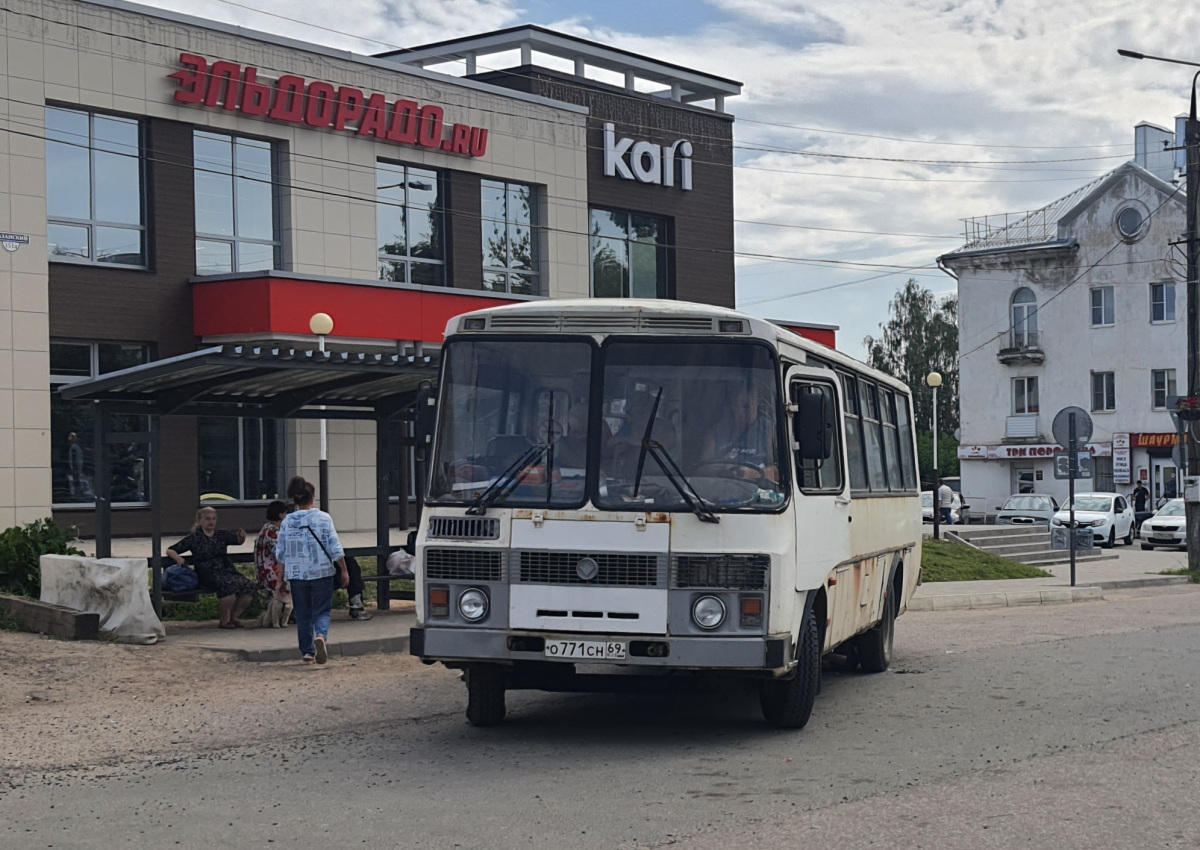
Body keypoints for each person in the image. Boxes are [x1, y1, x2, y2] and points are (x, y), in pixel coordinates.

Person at [275, 476, 349, 664]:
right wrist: (344, 570)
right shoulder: (323, 518)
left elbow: (281, 553)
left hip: (297, 574)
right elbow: (335, 547)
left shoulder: (287, 522)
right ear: (312, 498)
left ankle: (307, 652)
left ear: (295, 500)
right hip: (322, 571)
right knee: (322, 610)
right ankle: (321, 636)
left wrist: (279, 579)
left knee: (302, 613)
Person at [166, 507, 255, 629]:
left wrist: (242, 537)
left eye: (213, 519)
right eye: (207, 519)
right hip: (207, 573)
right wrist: (179, 559)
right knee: (228, 585)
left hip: (225, 569)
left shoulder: (221, 535)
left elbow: (238, 541)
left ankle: (234, 617)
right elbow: (171, 550)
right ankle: (224, 621)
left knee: (249, 586)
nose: (211, 522)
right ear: (200, 521)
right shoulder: (195, 538)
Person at [701, 382, 777, 481]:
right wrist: (721, 470)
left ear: (757, 403)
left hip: (758, 491)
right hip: (721, 487)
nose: (741, 412)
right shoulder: (718, 430)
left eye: (746, 406)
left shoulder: (769, 430)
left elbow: (778, 473)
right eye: (736, 406)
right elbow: (701, 468)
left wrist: (751, 473)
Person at [254, 500, 288, 600]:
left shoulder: (266, 528)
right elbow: (281, 556)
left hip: (264, 573)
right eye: (285, 513)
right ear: (281, 515)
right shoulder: (273, 532)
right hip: (271, 574)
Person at [66, 432, 84, 499]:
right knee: (76, 482)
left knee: (76, 482)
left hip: (75, 470)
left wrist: (75, 470)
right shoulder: (75, 448)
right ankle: (78, 494)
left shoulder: (74, 448)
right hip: (76, 469)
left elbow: (74, 461)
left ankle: (78, 495)